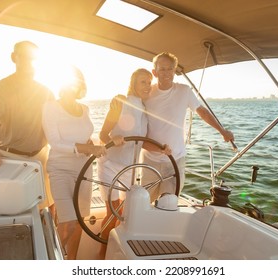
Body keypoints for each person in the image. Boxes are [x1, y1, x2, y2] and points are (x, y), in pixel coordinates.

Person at [141, 52, 235, 201]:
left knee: (169, 204)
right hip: (149, 160)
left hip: (175, 159)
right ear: (155, 72)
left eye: (170, 69)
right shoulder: (146, 93)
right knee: (143, 203)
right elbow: (131, 103)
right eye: (162, 69)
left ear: (174, 71)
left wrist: (222, 131)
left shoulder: (184, 91)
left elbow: (202, 112)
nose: (166, 73)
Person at [0, 40, 56, 211]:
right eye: (25, 56)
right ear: (14, 57)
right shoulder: (3, 87)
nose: (30, 61)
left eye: (33, 58)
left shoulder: (46, 91)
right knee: (9, 213)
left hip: (40, 159)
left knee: (46, 209)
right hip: (9, 160)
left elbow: (56, 124)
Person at [42, 66, 106, 260]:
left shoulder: (84, 108)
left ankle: (71, 263)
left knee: (79, 221)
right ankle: (52, 262)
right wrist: (86, 148)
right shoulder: (51, 106)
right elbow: (55, 142)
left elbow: (84, 135)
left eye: (78, 80)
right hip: (60, 170)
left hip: (84, 170)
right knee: (68, 222)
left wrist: (91, 143)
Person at [97, 68, 153, 257]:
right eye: (142, 82)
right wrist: (114, 139)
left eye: (149, 82)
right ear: (133, 83)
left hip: (131, 170)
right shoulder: (121, 102)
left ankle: (116, 253)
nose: (147, 85)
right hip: (111, 165)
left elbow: (143, 141)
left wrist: (162, 149)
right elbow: (103, 134)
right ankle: (102, 255)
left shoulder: (146, 109)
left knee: (124, 215)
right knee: (112, 213)